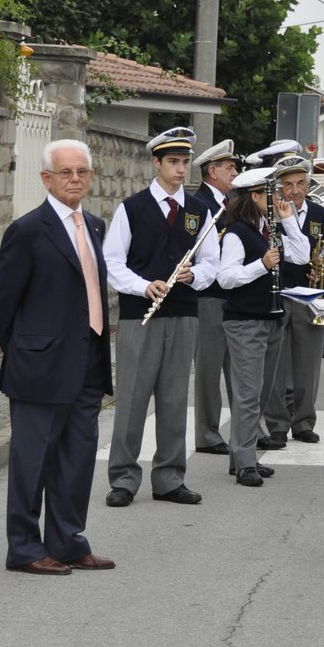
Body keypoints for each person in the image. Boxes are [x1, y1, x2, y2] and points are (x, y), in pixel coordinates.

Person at [0, 139, 115, 575]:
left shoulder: (94, 225)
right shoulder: (27, 230)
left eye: (82, 172)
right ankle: (24, 547)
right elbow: (1, 302)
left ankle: (66, 541)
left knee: (77, 461)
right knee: (32, 463)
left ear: (91, 176)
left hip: (88, 365)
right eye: (66, 173)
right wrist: (27, 350)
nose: (75, 179)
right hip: (39, 368)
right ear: (46, 179)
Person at [102, 127, 218, 508]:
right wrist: (142, 286)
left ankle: (169, 478)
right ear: (156, 162)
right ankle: (123, 478)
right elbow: (112, 262)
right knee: (133, 398)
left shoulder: (200, 211)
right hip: (141, 316)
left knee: (173, 399)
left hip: (184, 314)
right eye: (173, 162)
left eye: (185, 162)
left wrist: (194, 275)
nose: (181, 169)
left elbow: (211, 264)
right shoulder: (131, 208)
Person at [217, 165, 304, 486]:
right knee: (248, 394)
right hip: (245, 321)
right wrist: (261, 265)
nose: (278, 198)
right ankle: (244, 462)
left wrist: (288, 221)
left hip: (272, 317)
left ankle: (243, 455)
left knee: (263, 392)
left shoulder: (271, 227)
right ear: (253, 196)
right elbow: (225, 277)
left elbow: (300, 255)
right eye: (271, 194)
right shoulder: (238, 233)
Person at [263, 155, 324, 447]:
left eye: (300, 183)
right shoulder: (269, 214)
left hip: (309, 295)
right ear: (279, 187)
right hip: (278, 292)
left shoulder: (321, 213)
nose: (294, 191)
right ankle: (277, 424)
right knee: (277, 365)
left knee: (308, 365)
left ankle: (304, 422)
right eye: (288, 185)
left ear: (308, 183)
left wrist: (323, 262)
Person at [189, 139, 240, 456]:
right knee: (209, 369)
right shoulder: (200, 205)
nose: (235, 172)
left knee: (237, 367)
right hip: (208, 296)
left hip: (233, 294)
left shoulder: (230, 202)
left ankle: (244, 429)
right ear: (213, 170)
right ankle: (207, 433)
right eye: (230, 167)